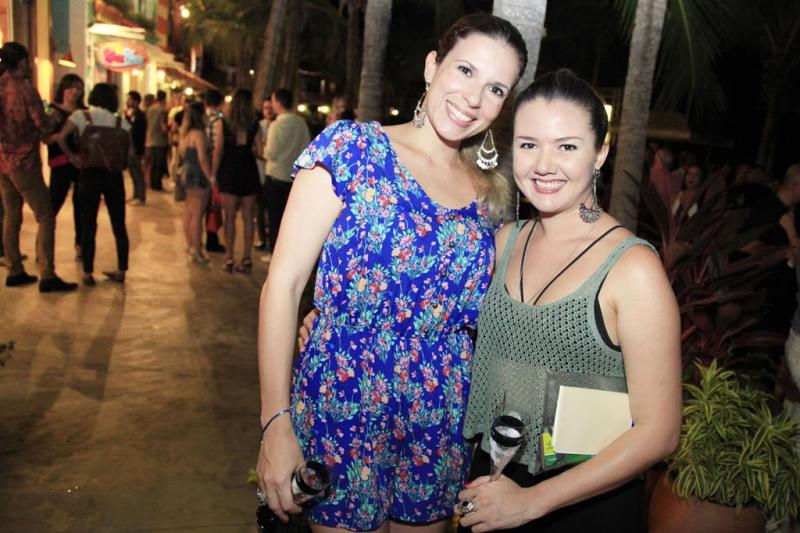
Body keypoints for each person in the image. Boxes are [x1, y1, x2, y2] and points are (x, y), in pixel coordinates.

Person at [256, 14, 527, 531]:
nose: (474, 98)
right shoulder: (351, 149)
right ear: (432, 66)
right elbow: (283, 286)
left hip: (441, 412)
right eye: (465, 70)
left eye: (495, 88)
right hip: (343, 394)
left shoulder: (491, 194)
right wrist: (275, 421)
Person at [456, 69, 681, 532]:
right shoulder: (504, 242)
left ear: (600, 152)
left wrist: (531, 502)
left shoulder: (632, 270)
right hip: (489, 484)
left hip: (583, 503)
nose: (544, 164)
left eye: (567, 147)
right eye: (529, 144)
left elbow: (660, 432)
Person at [0, 42, 78, 292]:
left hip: (2, 161)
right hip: (24, 162)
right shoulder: (25, 89)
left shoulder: (1, 86)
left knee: (11, 214)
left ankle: (14, 269)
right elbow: (42, 126)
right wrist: (54, 118)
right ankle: (47, 274)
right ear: (22, 62)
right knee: (45, 216)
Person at [57, 83, 131, 287]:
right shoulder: (121, 121)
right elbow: (129, 151)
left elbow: (61, 138)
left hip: (89, 174)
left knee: (88, 223)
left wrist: (72, 157)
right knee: (119, 224)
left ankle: (87, 272)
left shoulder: (81, 116)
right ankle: (121, 270)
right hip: (114, 176)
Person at [262, 88, 310, 259]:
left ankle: (274, 254)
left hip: (276, 176)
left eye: (273, 101)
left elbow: (271, 153)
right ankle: (287, 255)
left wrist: (263, 147)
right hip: (293, 178)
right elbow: (307, 148)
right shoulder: (300, 123)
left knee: (274, 219)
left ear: (278, 103)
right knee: (289, 220)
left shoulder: (276, 125)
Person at [217, 89, 260, 273]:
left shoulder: (224, 122)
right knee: (248, 217)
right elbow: (259, 149)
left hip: (229, 169)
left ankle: (229, 257)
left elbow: (218, 149)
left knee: (229, 217)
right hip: (248, 169)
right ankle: (247, 258)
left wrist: (213, 173)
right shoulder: (254, 123)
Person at [46, 74, 86, 262]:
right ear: (63, 88)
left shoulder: (84, 112)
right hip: (60, 163)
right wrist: (61, 135)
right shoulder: (52, 110)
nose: (74, 92)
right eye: (71, 87)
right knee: (53, 204)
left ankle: (80, 246)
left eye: (78, 88)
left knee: (81, 206)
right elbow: (44, 138)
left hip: (81, 163)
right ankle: (43, 246)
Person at [178, 101, 214, 263]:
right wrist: (210, 177)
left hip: (186, 172)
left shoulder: (185, 133)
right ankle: (197, 250)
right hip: (198, 174)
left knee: (189, 211)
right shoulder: (199, 134)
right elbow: (202, 159)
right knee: (198, 214)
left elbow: (181, 154)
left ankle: (190, 244)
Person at [203, 89, 225, 253]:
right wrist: (214, 173)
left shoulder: (200, 118)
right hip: (212, 165)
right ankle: (211, 239)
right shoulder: (218, 121)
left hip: (199, 164)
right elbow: (217, 150)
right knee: (213, 205)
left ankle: (196, 242)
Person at [254, 98, 273, 252]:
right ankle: (262, 238)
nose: (268, 111)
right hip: (260, 171)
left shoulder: (279, 126)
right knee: (260, 208)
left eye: (270, 107)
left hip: (274, 173)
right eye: (265, 108)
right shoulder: (259, 126)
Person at [125, 91, 147, 205]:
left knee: (137, 172)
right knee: (132, 172)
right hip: (130, 146)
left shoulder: (139, 115)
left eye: (130, 99)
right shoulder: (132, 114)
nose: (127, 101)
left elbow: (136, 132)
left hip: (136, 147)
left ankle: (140, 196)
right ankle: (135, 194)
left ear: (136, 101)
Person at [145, 90, 168, 191]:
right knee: (159, 163)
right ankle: (157, 184)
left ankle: (152, 183)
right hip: (160, 140)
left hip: (150, 138)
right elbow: (163, 126)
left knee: (153, 163)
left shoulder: (150, 109)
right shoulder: (162, 110)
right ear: (164, 98)